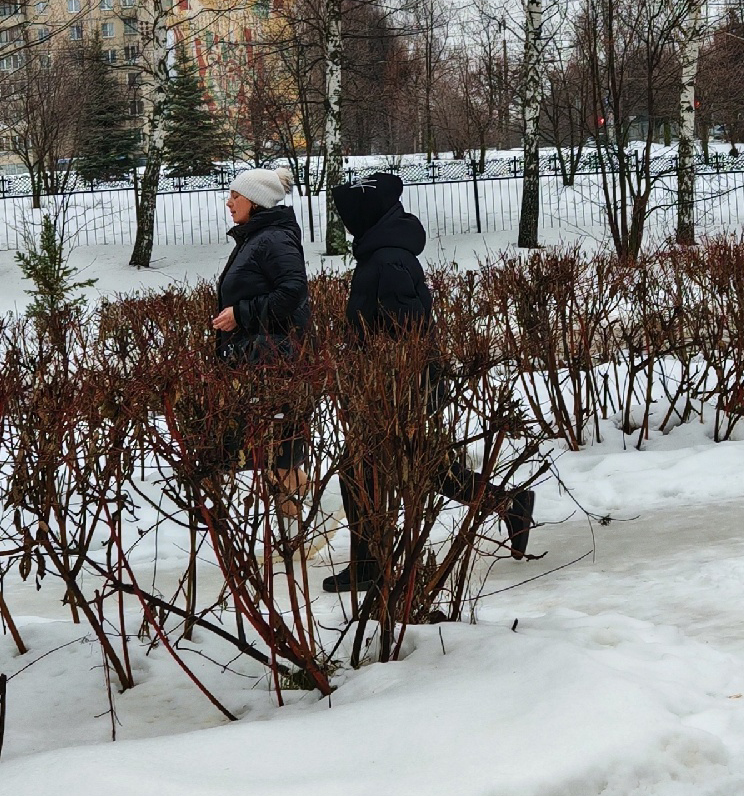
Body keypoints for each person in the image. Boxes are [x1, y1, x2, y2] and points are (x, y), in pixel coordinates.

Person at [322, 170, 534, 594]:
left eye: (349, 219)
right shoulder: (382, 254)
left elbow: (410, 332)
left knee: (358, 471)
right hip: (390, 386)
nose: (346, 227)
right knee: (426, 468)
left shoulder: (388, 260)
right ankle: (507, 503)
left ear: (365, 219)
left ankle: (368, 567)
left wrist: (397, 387)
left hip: (398, 389)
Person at [209, 165, 311, 502]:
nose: (229, 203)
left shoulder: (273, 238)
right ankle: (289, 522)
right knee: (273, 449)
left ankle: (295, 529)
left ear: (254, 201)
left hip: (272, 360)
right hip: (257, 357)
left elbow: (293, 290)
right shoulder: (257, 237)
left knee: (281, 452)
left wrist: (241, 314)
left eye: (235, 196)